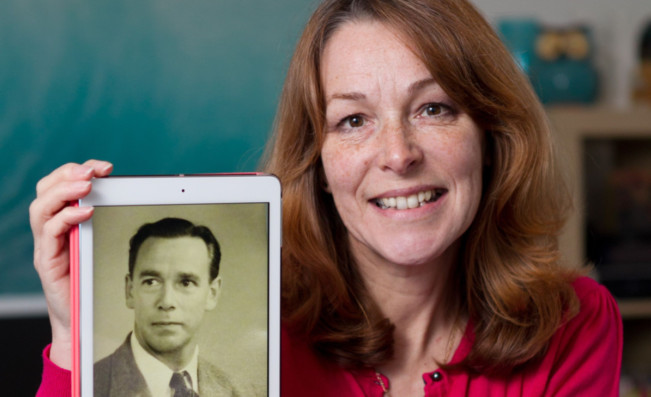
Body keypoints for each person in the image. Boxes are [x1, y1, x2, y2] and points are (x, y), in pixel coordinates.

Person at [32, 0, 623, 396]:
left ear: (492, 137)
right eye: (352, 121)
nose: (398, 154)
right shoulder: (240, 337)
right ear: (315, 162)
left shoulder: (573, 324)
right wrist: (71, 340)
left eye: (433, 108)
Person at [93, 217, 239, 397]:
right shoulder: (87, 386)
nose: (167, 302)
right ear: (130, 291)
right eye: (151, 282)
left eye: (186, 283)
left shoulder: (239, 392)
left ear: (212, 293)